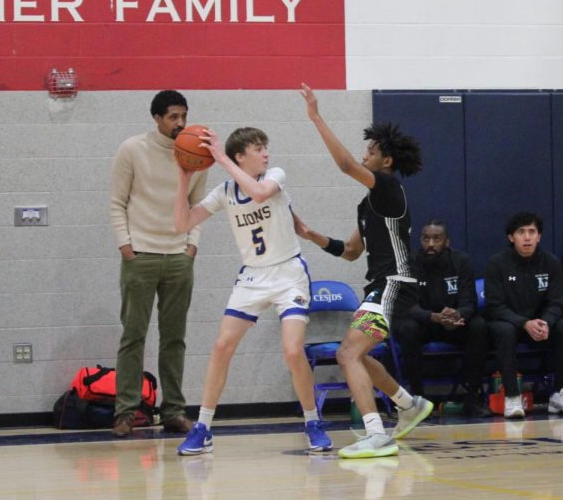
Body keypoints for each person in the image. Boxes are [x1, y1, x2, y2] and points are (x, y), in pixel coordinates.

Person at [172, 127, 330, 456]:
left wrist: (220, 158)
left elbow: (259, 194)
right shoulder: (225, 191)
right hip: (253, 277)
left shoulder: (275, 175)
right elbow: (182, 224)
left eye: (265, 147)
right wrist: (184, 176)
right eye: (258, 148)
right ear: (241, 155)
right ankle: (203, 427)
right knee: (221, 346)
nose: (266, 153)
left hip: (289, 274)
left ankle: (312, 421)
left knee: (291, 350)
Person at [295, 84, 433, 459]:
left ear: (386, 161)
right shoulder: (369, 203)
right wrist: (312, 236)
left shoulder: (388, 187)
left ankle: (377, 434)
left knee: (347, 355)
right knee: (357, 354)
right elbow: (353, 251)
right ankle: (409, 405)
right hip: (384, 285)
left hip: (396, 284)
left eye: (371, 151)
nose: (363, 156)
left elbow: (344, 165)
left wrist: (316, 116)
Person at [109, 89, 206, 438]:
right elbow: (117, 202)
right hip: (141, 255)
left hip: (179, 257)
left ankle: (174, 411)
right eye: (172, 117)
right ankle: (125, 412)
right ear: (157, 118)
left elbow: (198, 206)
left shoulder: (196, 154)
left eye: (183, 116)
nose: (179, 123)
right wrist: (126, 246)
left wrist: (191, 247)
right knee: (133, 336)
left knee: (174, 338)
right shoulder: (132, 149)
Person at [483, 211, 563, 419]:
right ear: (511, 237)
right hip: (511, 324)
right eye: (521, 232)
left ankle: (561, 393)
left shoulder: (551, 263)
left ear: (539, 236)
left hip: (540, 325)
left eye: (532, 231)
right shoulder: (497, 264)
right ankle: (512, 396)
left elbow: (556, 302)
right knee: (504, 330)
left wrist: (545, 322)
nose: (527, 237)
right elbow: (494, 306)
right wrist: (524, 323)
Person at [395, 220, 489, 416]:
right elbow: (407, 306)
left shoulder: (462, 261)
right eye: (426, 238)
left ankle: (473, 398)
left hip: (454, 324)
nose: (430, 244)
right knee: (407, 328)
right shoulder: (409, 264)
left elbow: (469, 302)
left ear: (446, 242)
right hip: (425, 324)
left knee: (479, 326)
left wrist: (457, 314)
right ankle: (418, 400)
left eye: (436, 239)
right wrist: (432, 317)